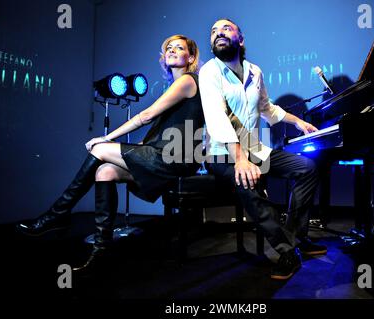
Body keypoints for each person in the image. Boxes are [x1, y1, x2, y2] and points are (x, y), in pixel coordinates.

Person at [17, 34, 204, 273]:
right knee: (105, 172)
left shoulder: (188, 81)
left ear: (190, 57)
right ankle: (101, 250)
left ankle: (58, 214)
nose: (172, 50)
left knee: (99, 149)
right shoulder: (177, 85)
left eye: (180, 48)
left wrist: (107, 137)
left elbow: (146, 116)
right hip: (164, 154)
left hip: (174, 158)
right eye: (169, 47)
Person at [199, 18, 324, 280]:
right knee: (248, 183)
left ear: (240, 39)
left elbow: (267, 109)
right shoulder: (209, 71)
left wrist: (299, 122)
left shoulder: (255, 71)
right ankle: (286, 250)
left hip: (254, 148)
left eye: (225, 29)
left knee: (306, 168)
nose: (218, 33)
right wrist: (240, 160)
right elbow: (216, 117)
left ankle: (296, 237)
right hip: (221, 153)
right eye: (213, 31)